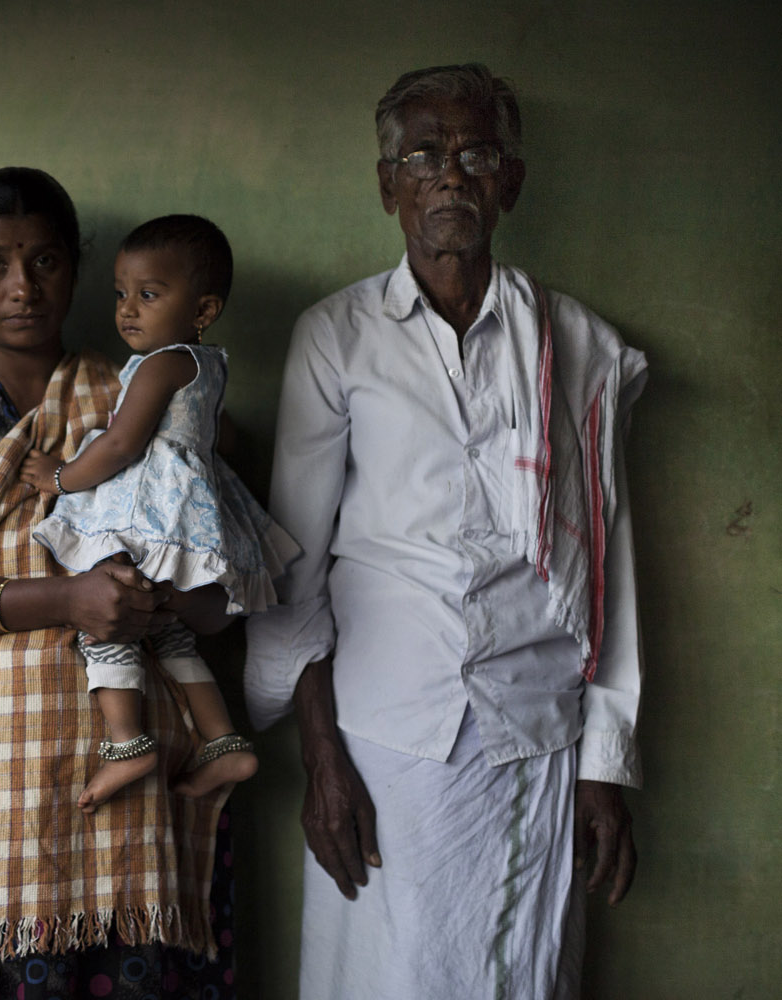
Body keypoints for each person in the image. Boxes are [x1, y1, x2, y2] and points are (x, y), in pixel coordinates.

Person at [244, 64, 646, 998]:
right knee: (381, 975)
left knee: (517, 974)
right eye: (421, 155)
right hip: (382, 740)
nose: (449, 176)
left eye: (474, 154)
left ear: (511, 182)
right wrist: (322, 759)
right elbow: (293, 570)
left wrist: (605, 764)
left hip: (535, 736)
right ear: (389, 188)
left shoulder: (576, 344)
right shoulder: (336, 335)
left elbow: (606, 560)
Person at [0, 168, 240, 999]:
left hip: (133, 814)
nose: (22, 288)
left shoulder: (149, 409)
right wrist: (68, 600)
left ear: (76, 271)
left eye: (46, 262)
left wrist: (151, 599)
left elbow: (219, 583)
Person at [21, 214, 296, 812]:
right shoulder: (208, 364)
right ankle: (222, 740)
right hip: (190, 510)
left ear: (203, 310)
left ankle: (127, 742)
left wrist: (60, 476)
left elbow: (122, 444)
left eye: (149, 295)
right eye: (121, 294)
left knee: (107, 607)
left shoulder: (162, 363)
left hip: (153, 512)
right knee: (167, 627)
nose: (128, 310)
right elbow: (211, 439)